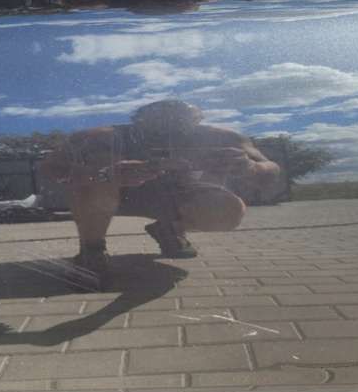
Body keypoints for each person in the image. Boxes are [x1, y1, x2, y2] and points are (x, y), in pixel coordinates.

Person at [39, 100, 280, 287]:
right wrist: (103, 174)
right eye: (158, 125)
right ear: (138, 121)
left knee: (227, 210)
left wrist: (250, 167)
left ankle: (171, 229)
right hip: (113, 197)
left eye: (180, 125)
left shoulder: (222, 137)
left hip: (181, 198)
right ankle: (92, 251)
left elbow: (270, 168)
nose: (169, 133)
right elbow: (50, 168)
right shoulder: (100, 136)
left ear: (197, 121)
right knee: (98, 165)